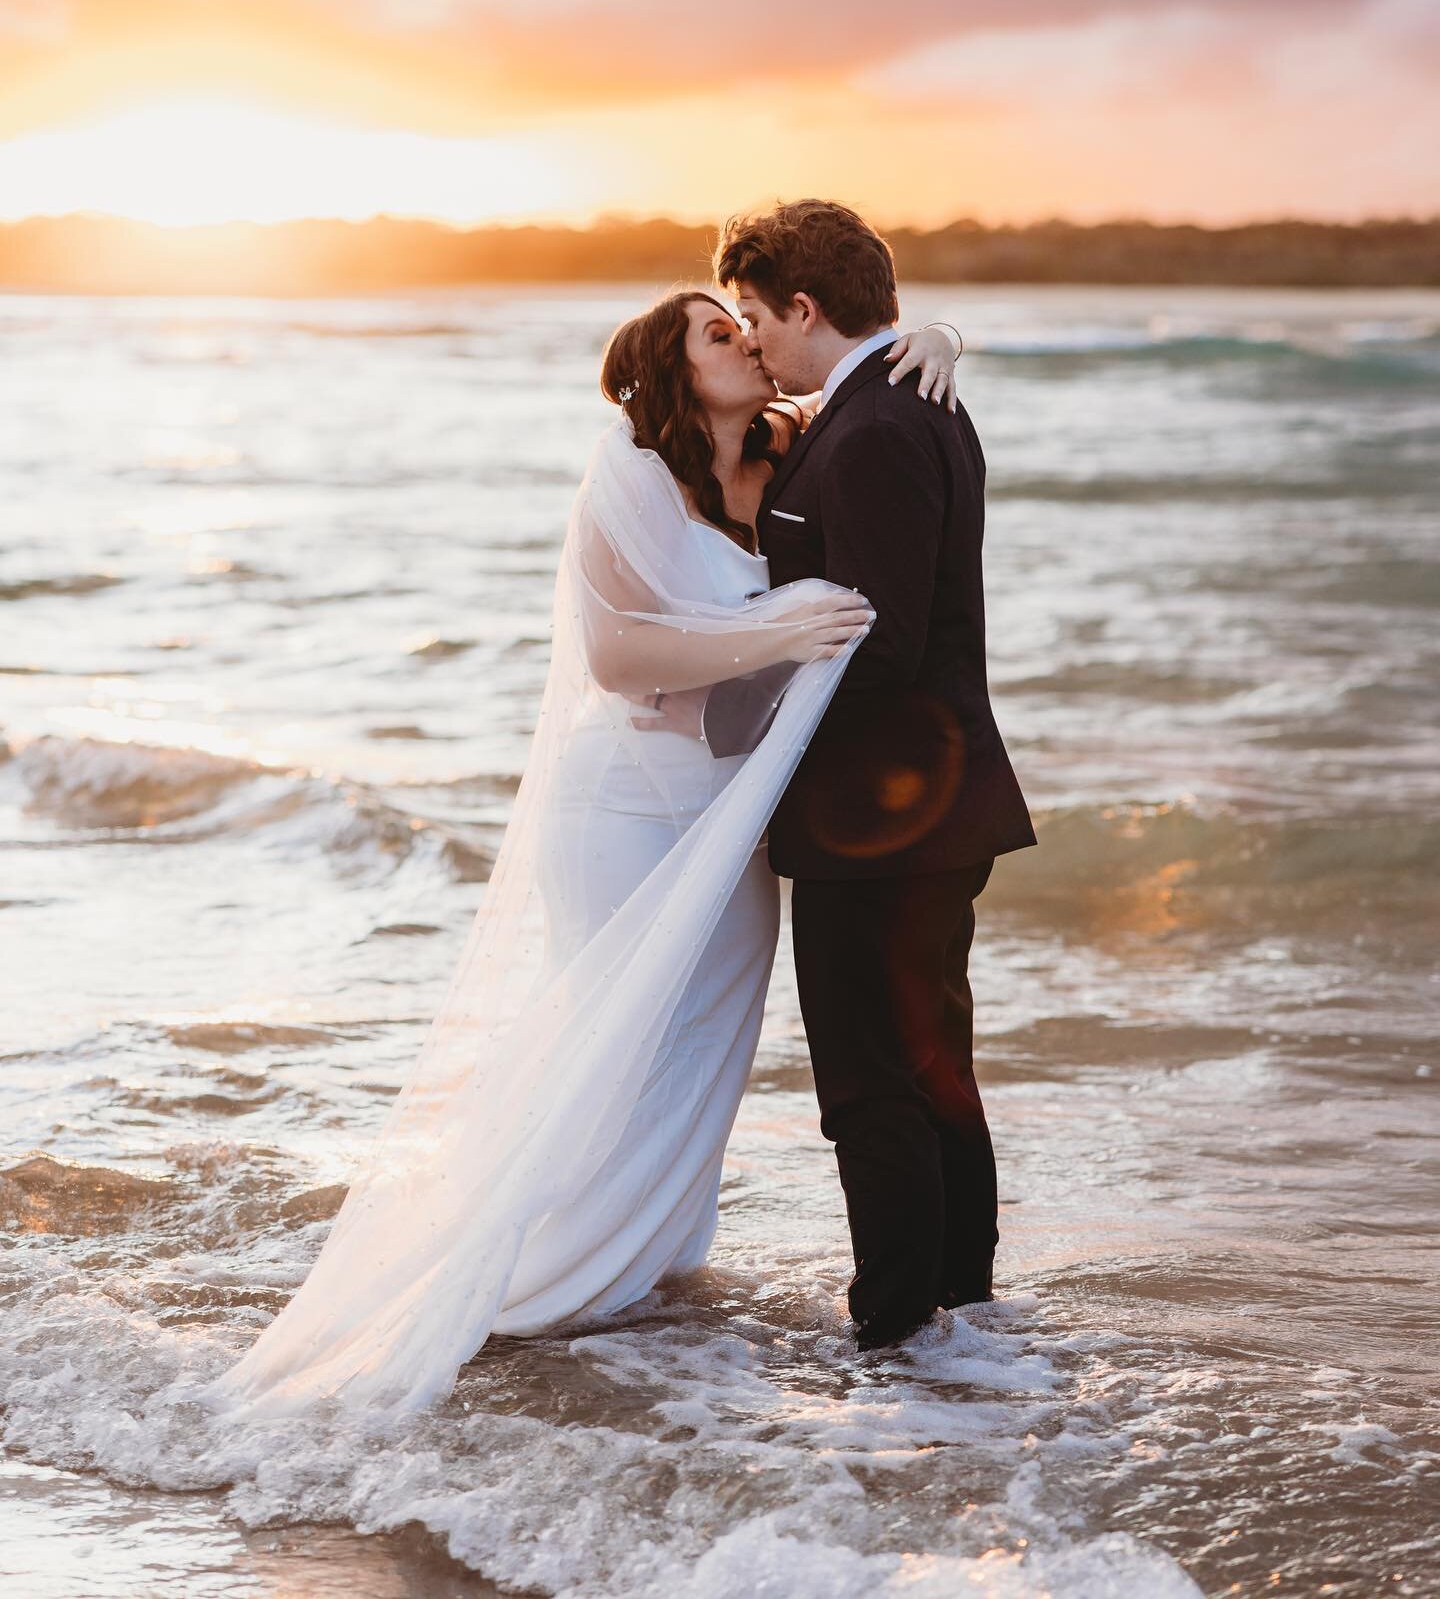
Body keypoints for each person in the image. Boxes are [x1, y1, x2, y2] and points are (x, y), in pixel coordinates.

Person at [200, 291, 962, 1415]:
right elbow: (615, 653)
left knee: (706, 1038)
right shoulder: (630, 474)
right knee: (611, 1034)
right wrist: (777, 629)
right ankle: (536, 1275)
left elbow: (869, 368)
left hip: (733, 821)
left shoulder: (788, 452)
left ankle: (641, 1265)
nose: (747, 342)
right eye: (718, 334)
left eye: (747, 326)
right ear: (671, 370)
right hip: (624, 806)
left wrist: (937, 341)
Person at [716, 198, 1036, 1351]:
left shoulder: (883, 427)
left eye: (756, 316)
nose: (749, 340)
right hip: (919, 811)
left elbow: (884, 640)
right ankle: (962, 1325)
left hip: (886, 818)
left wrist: (742, 726)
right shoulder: (890, 401)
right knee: (929, 1067)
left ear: (806, 308)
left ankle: (899, 1334)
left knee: (871, 1086)